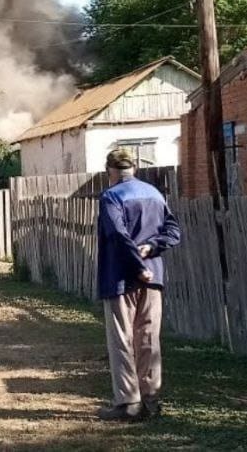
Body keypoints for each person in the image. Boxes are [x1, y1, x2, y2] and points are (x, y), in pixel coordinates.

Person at [96, 148, 182, 421]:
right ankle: (151, 401)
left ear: (110, 171)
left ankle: (128, 404)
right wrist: (151, 247)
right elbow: (173, 232)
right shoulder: (155, 194)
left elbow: (118, 235)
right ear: (134, 168)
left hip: (121, 278)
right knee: (148, 338)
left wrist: (137, 266)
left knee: (122, 339)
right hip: (153, 278)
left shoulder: (111, 196)